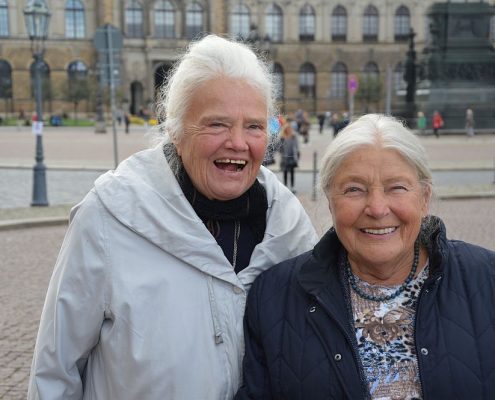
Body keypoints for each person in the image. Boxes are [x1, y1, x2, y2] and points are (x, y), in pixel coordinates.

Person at [28, 35, 318, 400]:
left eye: (254, 126)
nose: (238, 142)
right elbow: (55, 373)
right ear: (176, 131)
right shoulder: (107, 218)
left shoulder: (290, 226)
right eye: (217, 124)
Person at [236, 114, 495, 399]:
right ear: (330, 200)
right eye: (354, 190)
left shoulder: (486, 280)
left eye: (396, 187)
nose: (376, 207)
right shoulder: (274, 296)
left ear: (424, 198)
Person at [279, 121, 299, 192]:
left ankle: (292, 187)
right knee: (285, 172)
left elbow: (296, 147)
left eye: (289, 129)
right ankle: (285, 186)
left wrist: (297, 156)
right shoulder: (282, 138)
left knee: (292, 172)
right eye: (287, 129)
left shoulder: (293, 136)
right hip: (284, 158)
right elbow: (280, 149)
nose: (288, 130)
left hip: (292, 157)